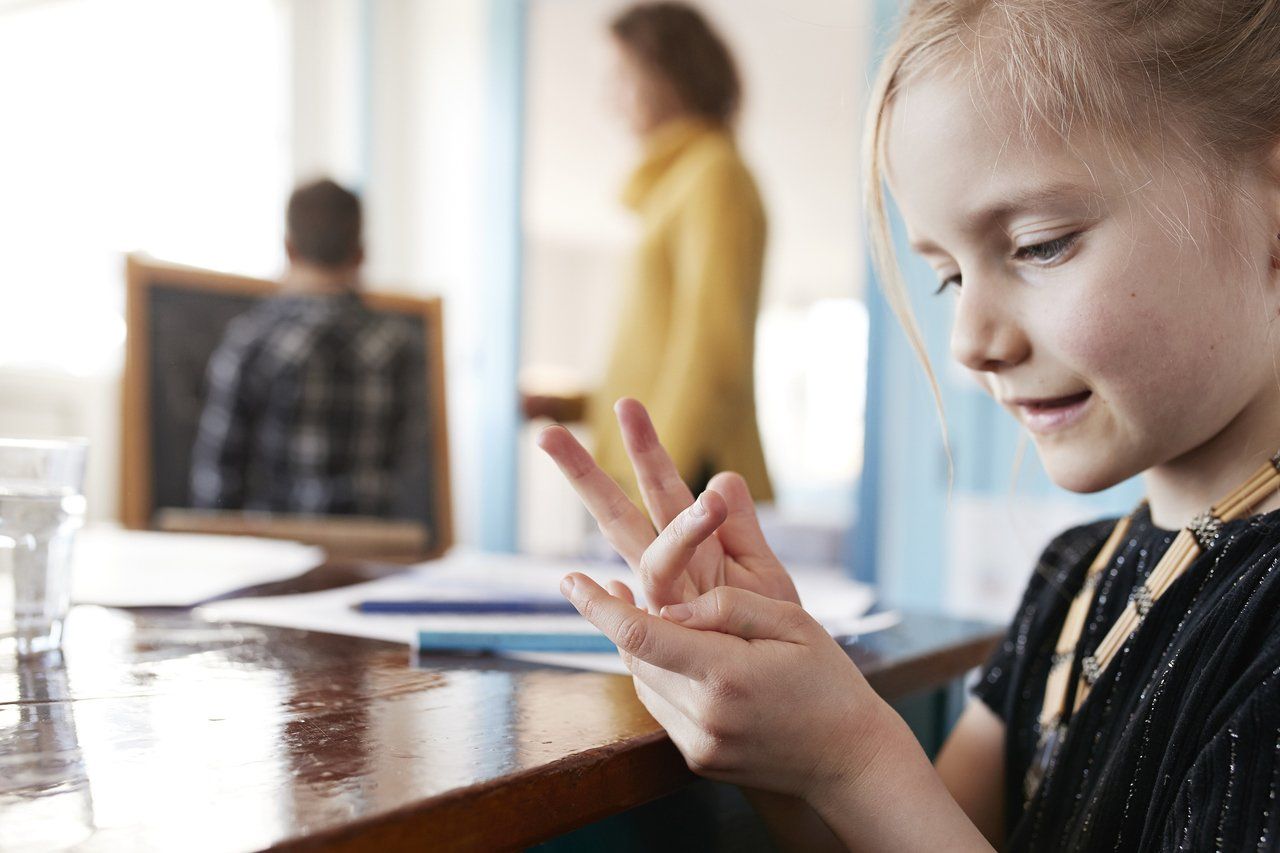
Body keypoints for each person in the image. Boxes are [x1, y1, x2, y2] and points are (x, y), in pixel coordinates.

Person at [536, 0, 1280, 849]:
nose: (970, 343)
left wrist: (853, 756)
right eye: (948, 277)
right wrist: (794, 732)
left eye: (1040, 244)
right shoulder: (1073, 578)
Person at [588, 2, 772, 503]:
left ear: (668, 74)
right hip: (660, 467)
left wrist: (660, 480)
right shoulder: (679, 182)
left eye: (624, 75)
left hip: (684, 471)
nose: (612, 97)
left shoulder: (713, 173)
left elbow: (712, 344)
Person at [190, 178, 415, 517]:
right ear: (360, 254)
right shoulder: (401, 346)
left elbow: (216, 482)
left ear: (288, 248)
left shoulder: (251, 340)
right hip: (376, 555)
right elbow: (416, 476)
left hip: (275, 554)